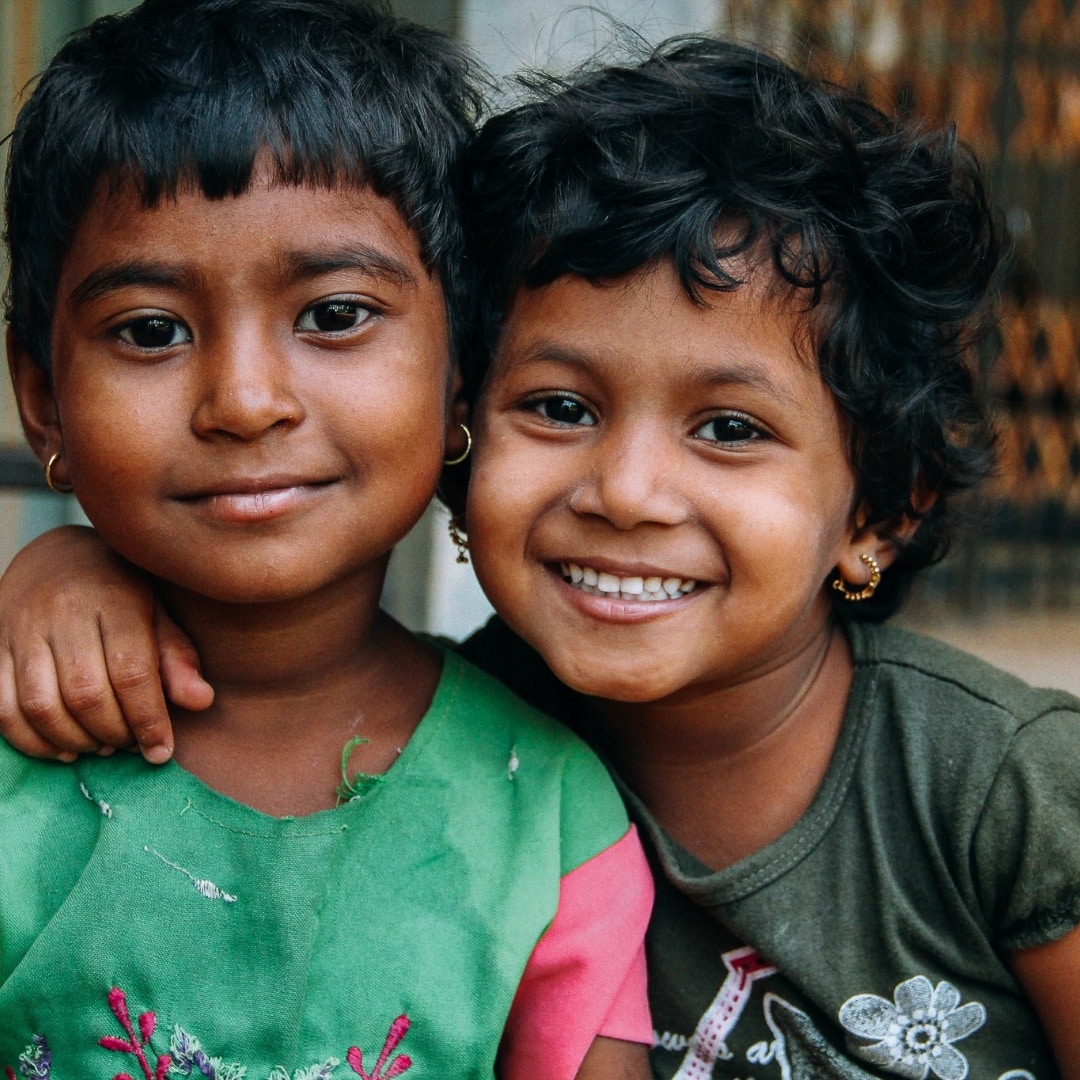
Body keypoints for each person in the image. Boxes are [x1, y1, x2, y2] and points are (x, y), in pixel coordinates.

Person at [3, 32, 1079, 1078]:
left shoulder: (1001, 793)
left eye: (730, 429)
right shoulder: (478, 743)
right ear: (464, 420)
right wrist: (62, 570)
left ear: (882, 507)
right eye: (561, 407)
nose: (624, 492)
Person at [0, 3, 657, 1078]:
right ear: (44, 403)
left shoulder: (541, 817)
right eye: (151, 330)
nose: (245, 401)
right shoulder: (17, 764)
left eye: (336, 314)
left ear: (460, 375)